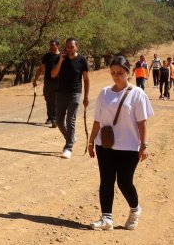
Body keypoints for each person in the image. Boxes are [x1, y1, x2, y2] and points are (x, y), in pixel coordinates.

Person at [86, 56, 153, 231]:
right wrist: (91, 141)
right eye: (113, 73)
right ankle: (106, 218)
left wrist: (144, 145)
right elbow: (97, 120)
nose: (116, 76)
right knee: (106, 181)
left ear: (128, 73)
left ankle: (135, 209)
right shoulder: (104, 93)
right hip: (106, 145)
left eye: (120, 73)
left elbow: (142, 123)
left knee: (124, 182)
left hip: (129, 146)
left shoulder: (138, 93)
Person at [50, 37, 90, 159]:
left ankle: (68, 147)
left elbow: (86, 80)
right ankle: (71, 137)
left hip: (75, 93)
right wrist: (61, 61)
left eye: (71, 47)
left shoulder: (82, 60)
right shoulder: (60, 58)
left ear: (76, 47)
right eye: (67, 47)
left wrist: (86, 97)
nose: (69, 49)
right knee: (59, 121)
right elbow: (53, 74)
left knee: (70, 119)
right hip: (61, 93)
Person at [32, 39, 61, 127]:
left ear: (58, 46)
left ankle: (55, 118)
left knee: (57, 100)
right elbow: (41, 69)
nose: (51, 47)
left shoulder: (61, 57)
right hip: (48, 82)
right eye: (50, 45)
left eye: (53, 45)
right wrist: (35, 80)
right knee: (48, 100)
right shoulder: (47, 56)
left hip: (59, 82)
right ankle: (50, 118)